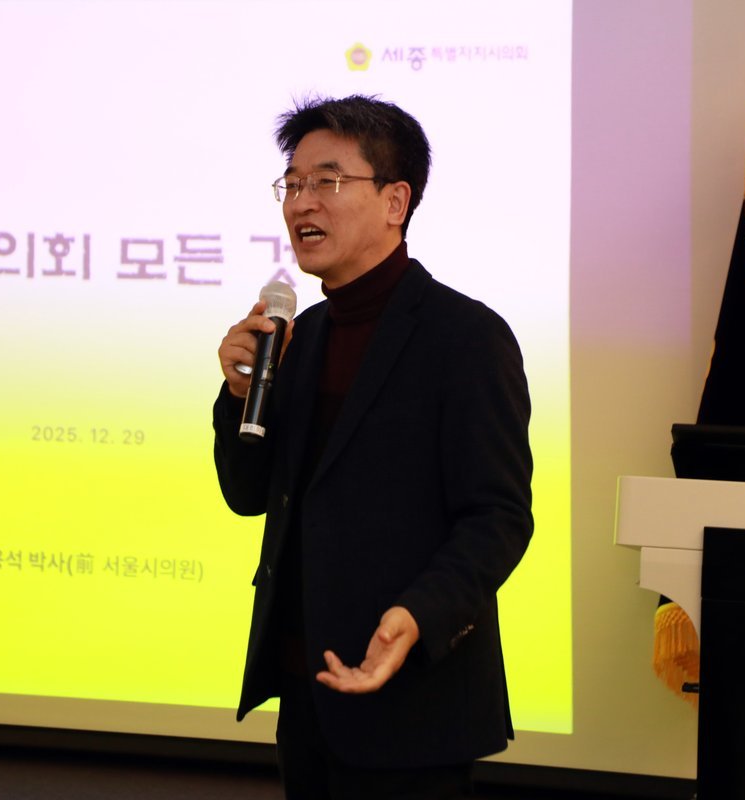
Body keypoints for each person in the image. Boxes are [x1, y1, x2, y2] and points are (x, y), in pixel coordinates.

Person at [213, 94, 533, 799]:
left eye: (327, 181)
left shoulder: (465, 337)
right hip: (307, 694)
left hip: (414, 701)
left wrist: (419, 615)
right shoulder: (299, 337)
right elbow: (247, 495)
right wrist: (240, 397)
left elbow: (499, 517)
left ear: (395, 201)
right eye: (292, 184)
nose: (302, 203)